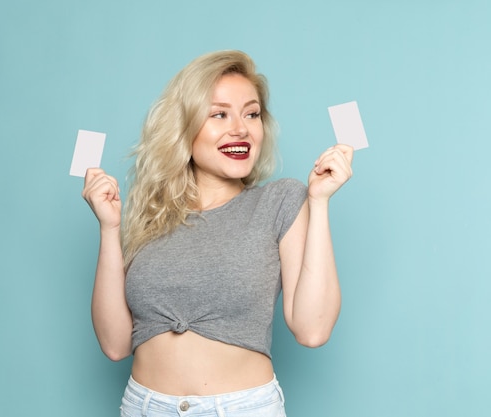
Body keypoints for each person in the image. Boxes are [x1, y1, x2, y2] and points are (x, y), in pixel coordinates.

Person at [82, 50, 353, 417]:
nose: (241, 128)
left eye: (252, 113)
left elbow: (313, 330)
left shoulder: (280, 201)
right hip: (144, 405)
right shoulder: (152, 215)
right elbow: (115, 345)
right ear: (185, 127)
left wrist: (319, 202)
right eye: (219, 113)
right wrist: (110, 226)